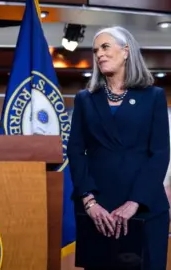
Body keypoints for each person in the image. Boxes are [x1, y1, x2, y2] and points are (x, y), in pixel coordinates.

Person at [68, 26, 170, 269]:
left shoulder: (153, 96)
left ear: (126, 51)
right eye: (95, 50)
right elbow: (75, 151)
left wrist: (135, 201)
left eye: (105, 47)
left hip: (144, 207)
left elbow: (160, 153)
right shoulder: (85, 99)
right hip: (99, 211)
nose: (99, 54)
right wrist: (89, 202)